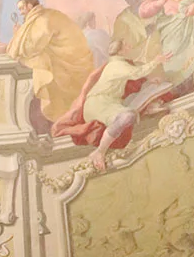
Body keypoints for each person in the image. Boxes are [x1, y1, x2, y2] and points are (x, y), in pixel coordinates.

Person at [52, 42, 171, 170]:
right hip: (100, 103)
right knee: (127, 116)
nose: (129, 47)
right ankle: (100, 152)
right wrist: (156, 61)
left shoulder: (114, 65)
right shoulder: (117, 64)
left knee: (137, 103)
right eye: (126, 46)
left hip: (105, 102)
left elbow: (126, 81)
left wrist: (149, 81)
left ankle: (149, 108)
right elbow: (136, 73)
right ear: (119, 51)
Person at [2, 0, 94, 131]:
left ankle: (57, 126)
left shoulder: (43, 18)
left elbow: (34, 46)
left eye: (22, 8)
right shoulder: (43, 16)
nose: (21, 12)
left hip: (63, 65)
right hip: (61, 63)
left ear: (29, 6)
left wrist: (17, 35)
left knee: (42, 71)